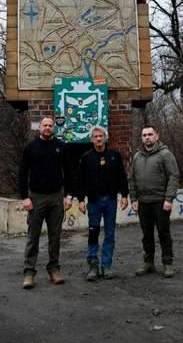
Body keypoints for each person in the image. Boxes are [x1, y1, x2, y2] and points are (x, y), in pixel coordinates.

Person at [17, 116, 74, 289]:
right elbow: (22, 173)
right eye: (45, 125)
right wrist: (25, 197)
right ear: (40, 127)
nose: (48, 128)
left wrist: (69, 196)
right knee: (33, 237)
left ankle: (54, 269)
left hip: (56, 197)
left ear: (53, 128)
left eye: (50, 125)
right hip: (36, 197)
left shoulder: (61, 147)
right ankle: (29, 272)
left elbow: (69, 172)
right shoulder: (30, 147)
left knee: (55, 237)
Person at [74, 126, 129, 281]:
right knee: (93, 233)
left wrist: (124, 195)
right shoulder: (86, 157)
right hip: (93, 201)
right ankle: (93, 265)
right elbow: (80, 180)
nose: (98, 139)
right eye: (96, 136)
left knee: (110, 234)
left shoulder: (114, 156)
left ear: (105, 137)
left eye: (101, 136)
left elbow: (122, 176)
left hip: (110, 200)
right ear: (92, 139)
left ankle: (106, 266)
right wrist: (80, 200)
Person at [130, 125, 180, 278]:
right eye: (144, 135)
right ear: (141, 138)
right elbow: (133, 179)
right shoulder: (137, 156)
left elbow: (173, 176)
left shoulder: (165, 154)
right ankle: (148, 262)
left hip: (160, 202)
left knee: (163, 233)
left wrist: (169, 198)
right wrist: (134, 199)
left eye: (150, 134)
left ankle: (167, 263)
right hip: (143, 202)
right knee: (147, 235)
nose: (147, 137)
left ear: (156, 136)